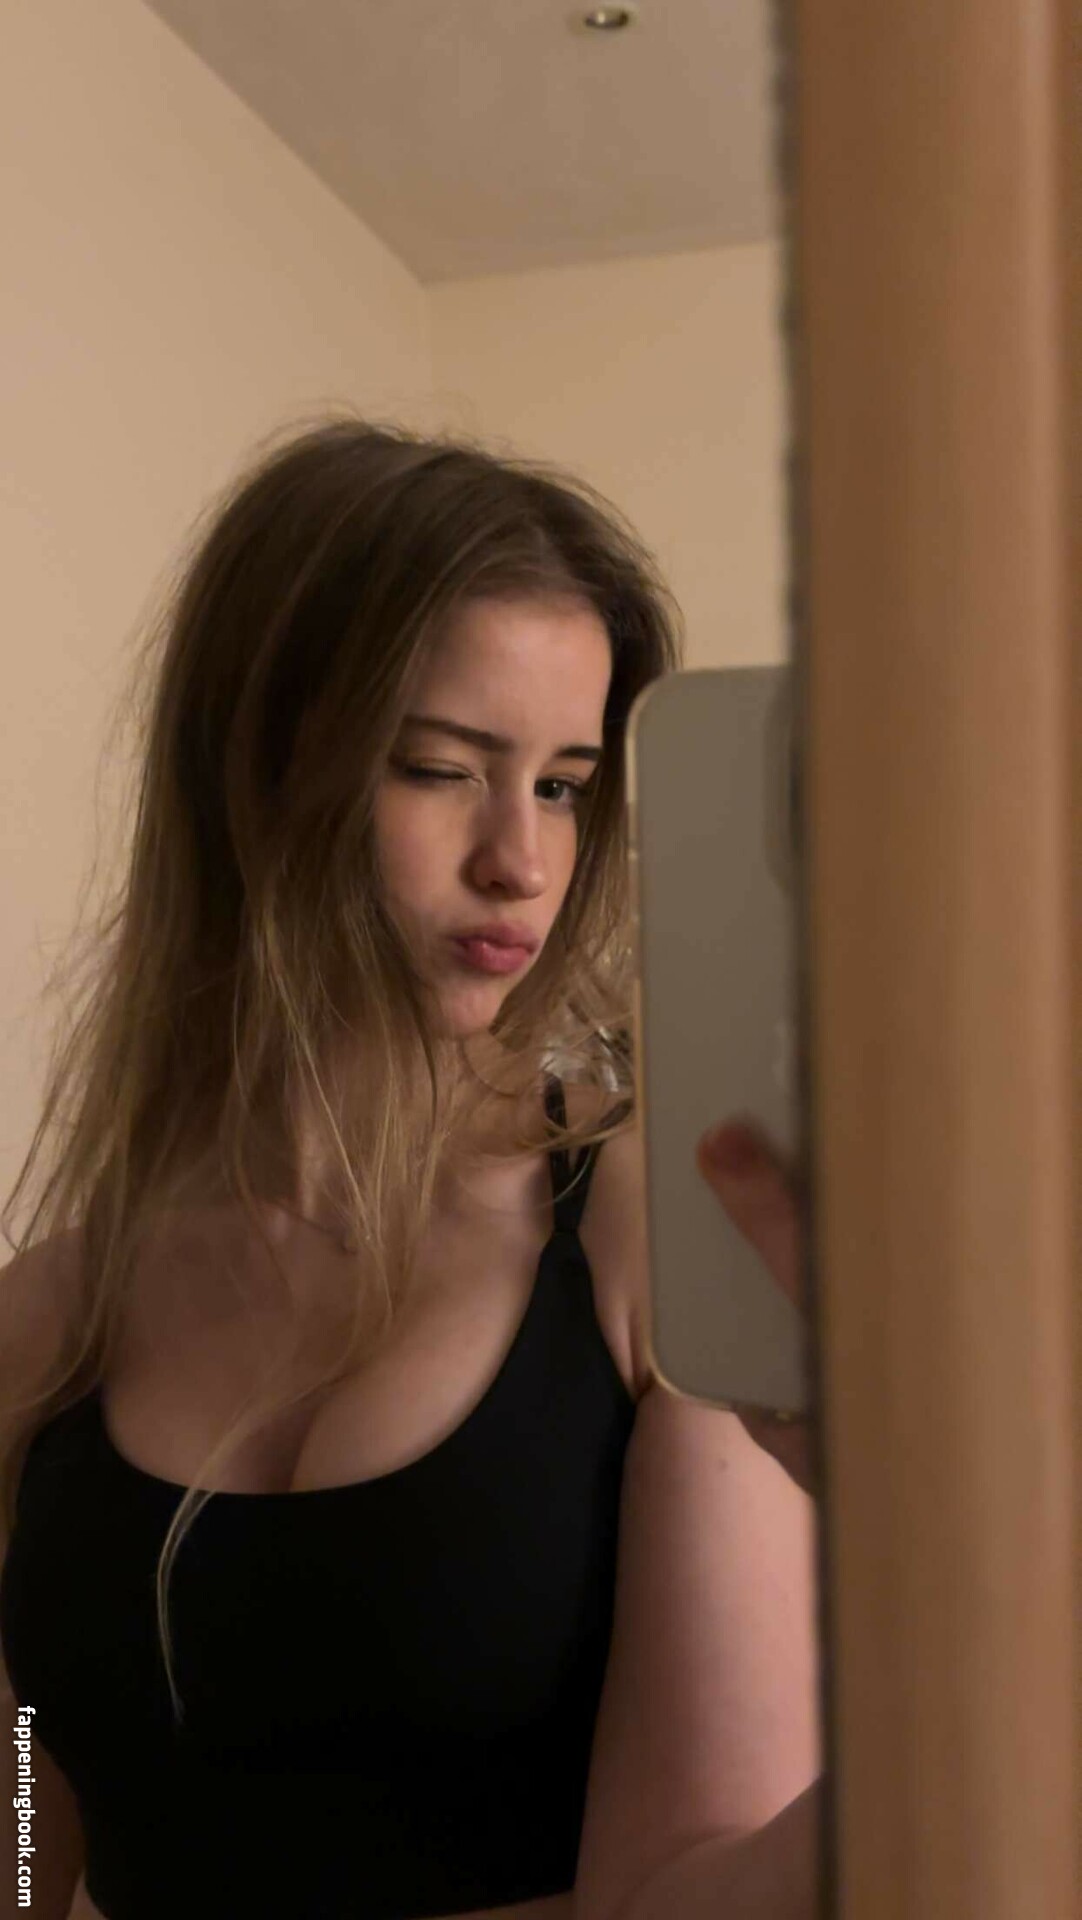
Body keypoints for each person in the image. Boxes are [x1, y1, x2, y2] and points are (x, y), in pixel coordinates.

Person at [0, 419, 821, 1920]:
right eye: (442, 769)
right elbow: (21, 1814)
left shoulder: (644, 1255)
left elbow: (684, 1891)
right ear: (255, 768)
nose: (521, 859)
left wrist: (956, 1703)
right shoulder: (48, 1323)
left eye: (564, 785)